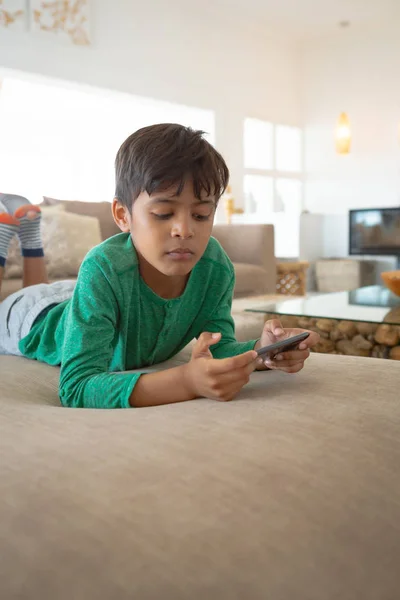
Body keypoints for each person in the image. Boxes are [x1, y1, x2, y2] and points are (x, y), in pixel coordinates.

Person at [0, 124, 319, 408]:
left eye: (201, 214)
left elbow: (218, 346)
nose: (185, 230)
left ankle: (29, 235)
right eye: (164, 213)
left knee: (61, 294)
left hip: (80, 296)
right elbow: (77, 386)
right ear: (123, 216)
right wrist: (186, 381)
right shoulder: (102, 267)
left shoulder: (215, 268)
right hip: (31, 317)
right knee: (26, 297)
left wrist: (262, 351)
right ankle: (19, 242)